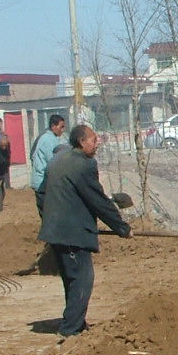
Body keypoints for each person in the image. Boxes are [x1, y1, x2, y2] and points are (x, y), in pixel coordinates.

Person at [39, 123, 132, 337]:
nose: (96, 143)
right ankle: (70, 329)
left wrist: (50, 218)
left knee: (71, 279)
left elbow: (42, 194)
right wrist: (122, 227)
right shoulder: (84, 165)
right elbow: (97, 200)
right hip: (72, 232)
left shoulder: (57, 160)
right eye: (93, 139)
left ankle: (76, 323)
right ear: (82, 142)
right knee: (82, 278)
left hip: (55, 231)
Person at [30, 113, 67, 215]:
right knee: (49, 216)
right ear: (53, 126)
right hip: (43, 183)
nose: (62, 130)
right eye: (61, 127)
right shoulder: (49, 140)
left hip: (42, 182)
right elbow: (54, 162)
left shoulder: (47, 138)